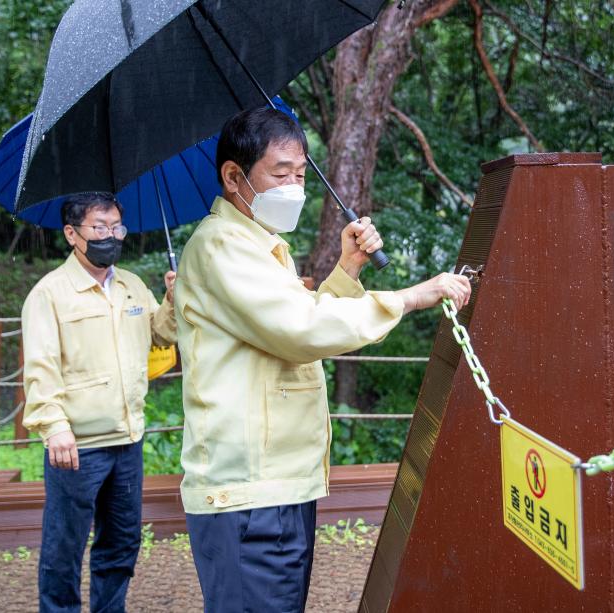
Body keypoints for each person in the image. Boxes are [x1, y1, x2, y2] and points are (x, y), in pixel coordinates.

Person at [175, 106, 472, 612]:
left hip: (280, 480)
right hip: (248, 488)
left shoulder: (264, 246)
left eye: (300, 172)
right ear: (233, 176)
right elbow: (302, 330)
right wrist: (409, 296)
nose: (295, 185)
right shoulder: (220, 246)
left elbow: (301, 316)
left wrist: (347, 270)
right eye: (280, 173)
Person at [21, 192, 177, 612]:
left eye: (116, 228)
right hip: (76, 447)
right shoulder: (49, 294)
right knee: (64, 547)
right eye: (100, 228)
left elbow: (162, 334)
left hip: (127, 439)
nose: (111, 236)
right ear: (72, 234)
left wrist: (174, 301)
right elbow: (40, 366)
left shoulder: (131, 285)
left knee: (122, 540)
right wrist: (54, 426)